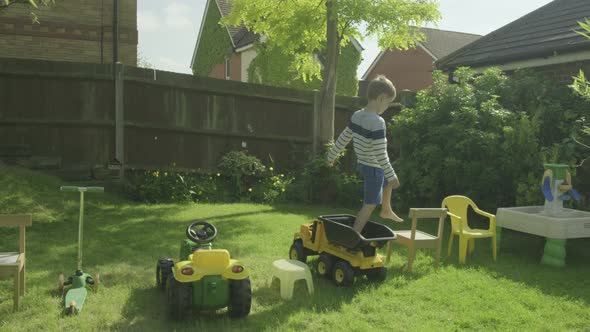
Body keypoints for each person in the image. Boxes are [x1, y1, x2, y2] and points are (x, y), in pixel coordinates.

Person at [327, 75, 403, 233]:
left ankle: (386, 209)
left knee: (387, 182)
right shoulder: (377, 122)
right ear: (381, 98)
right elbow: (381, 154)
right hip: (374, 168)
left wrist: (332, 155)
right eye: (388, 102)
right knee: (368, 205)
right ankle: (353, 235)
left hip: (363, 164)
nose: (387, 107)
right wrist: (392, 175)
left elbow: (344, 136)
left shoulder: (357, 115)